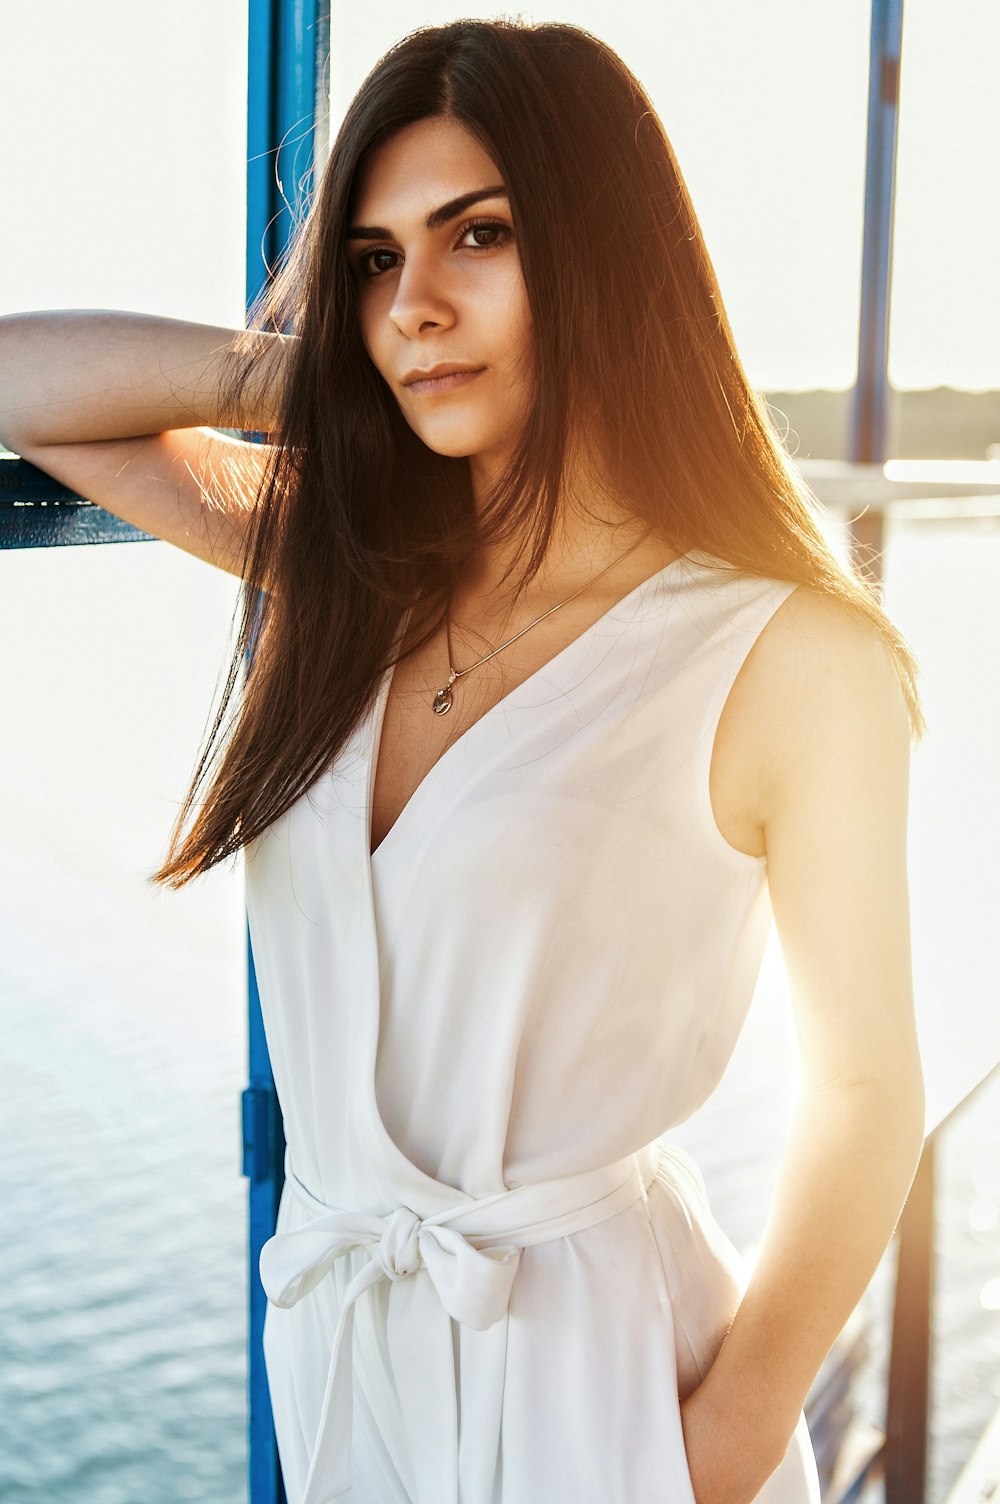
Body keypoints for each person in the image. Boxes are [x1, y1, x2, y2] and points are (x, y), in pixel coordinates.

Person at [0, 18, 926, 1504]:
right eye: (375, 261)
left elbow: (869, 1089)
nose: (415, 306)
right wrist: (312, 383)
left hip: (609, 1383)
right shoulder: (350, 565)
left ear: (610, 259)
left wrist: (719, 1446)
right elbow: (17, 384)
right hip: (349, 1363)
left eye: (476, 236)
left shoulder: (792, 656)